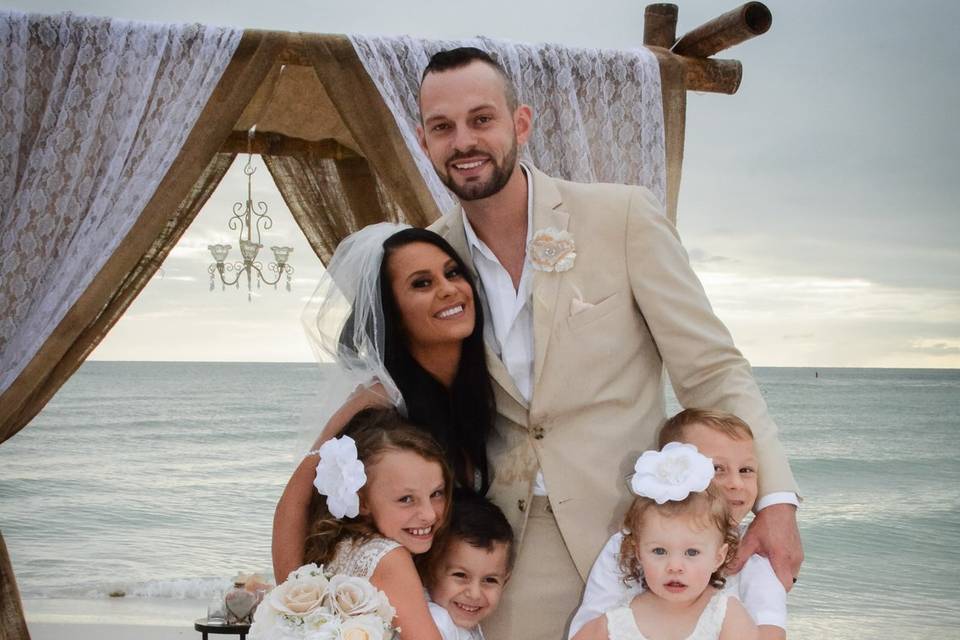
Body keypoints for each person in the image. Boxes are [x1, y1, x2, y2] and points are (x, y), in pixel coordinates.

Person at [417, 47, 803, 638]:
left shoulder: (620, 217)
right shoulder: (431, 257)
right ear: (425, 141)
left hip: (645, 537)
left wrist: (776, 499)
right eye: (444, 127)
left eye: (481, 119)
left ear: (520, 123)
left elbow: (712, 370)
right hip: (511, 550)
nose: (463, 140)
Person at [272, 223, 496, 582]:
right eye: (421, 283)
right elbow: (295, 501)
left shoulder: (482, 386)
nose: (448, 289)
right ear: (392, 312)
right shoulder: (378, 399)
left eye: (452, 273)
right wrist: (293, 608)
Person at [569, 409, 787, 639]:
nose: (735, 483)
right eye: (716, 469)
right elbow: (591, 621)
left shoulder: (754, 561)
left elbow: (771, 631)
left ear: (720, 556)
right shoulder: (622, 546)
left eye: (746, 470)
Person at [303, 407, 452, 640]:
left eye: (436, 493)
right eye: (406, 499)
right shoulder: (389, 558)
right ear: (362, 501)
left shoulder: (343, 546)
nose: (429, 514)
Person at [424, 489, 515, 639]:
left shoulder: (461, 627)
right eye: (460, 575)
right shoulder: (435, 622)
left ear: (505, 580)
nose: (474, 594)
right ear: (428, 571)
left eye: (490, 580)